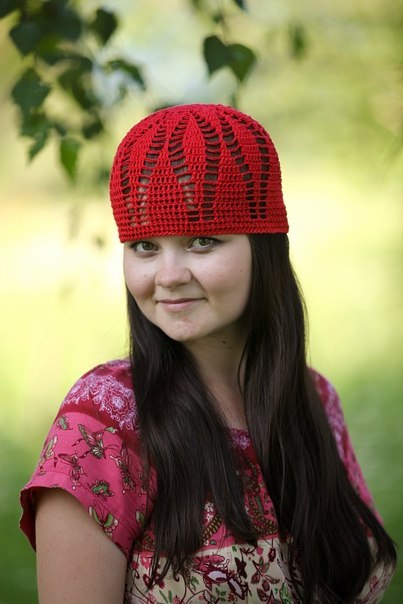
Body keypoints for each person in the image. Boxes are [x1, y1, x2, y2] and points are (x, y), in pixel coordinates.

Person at [20, 104, 396, 603]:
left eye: (201, 241)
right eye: (145, 245)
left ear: (265, 247)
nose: (169, 276)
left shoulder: (315, 400)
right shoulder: (103, 421)